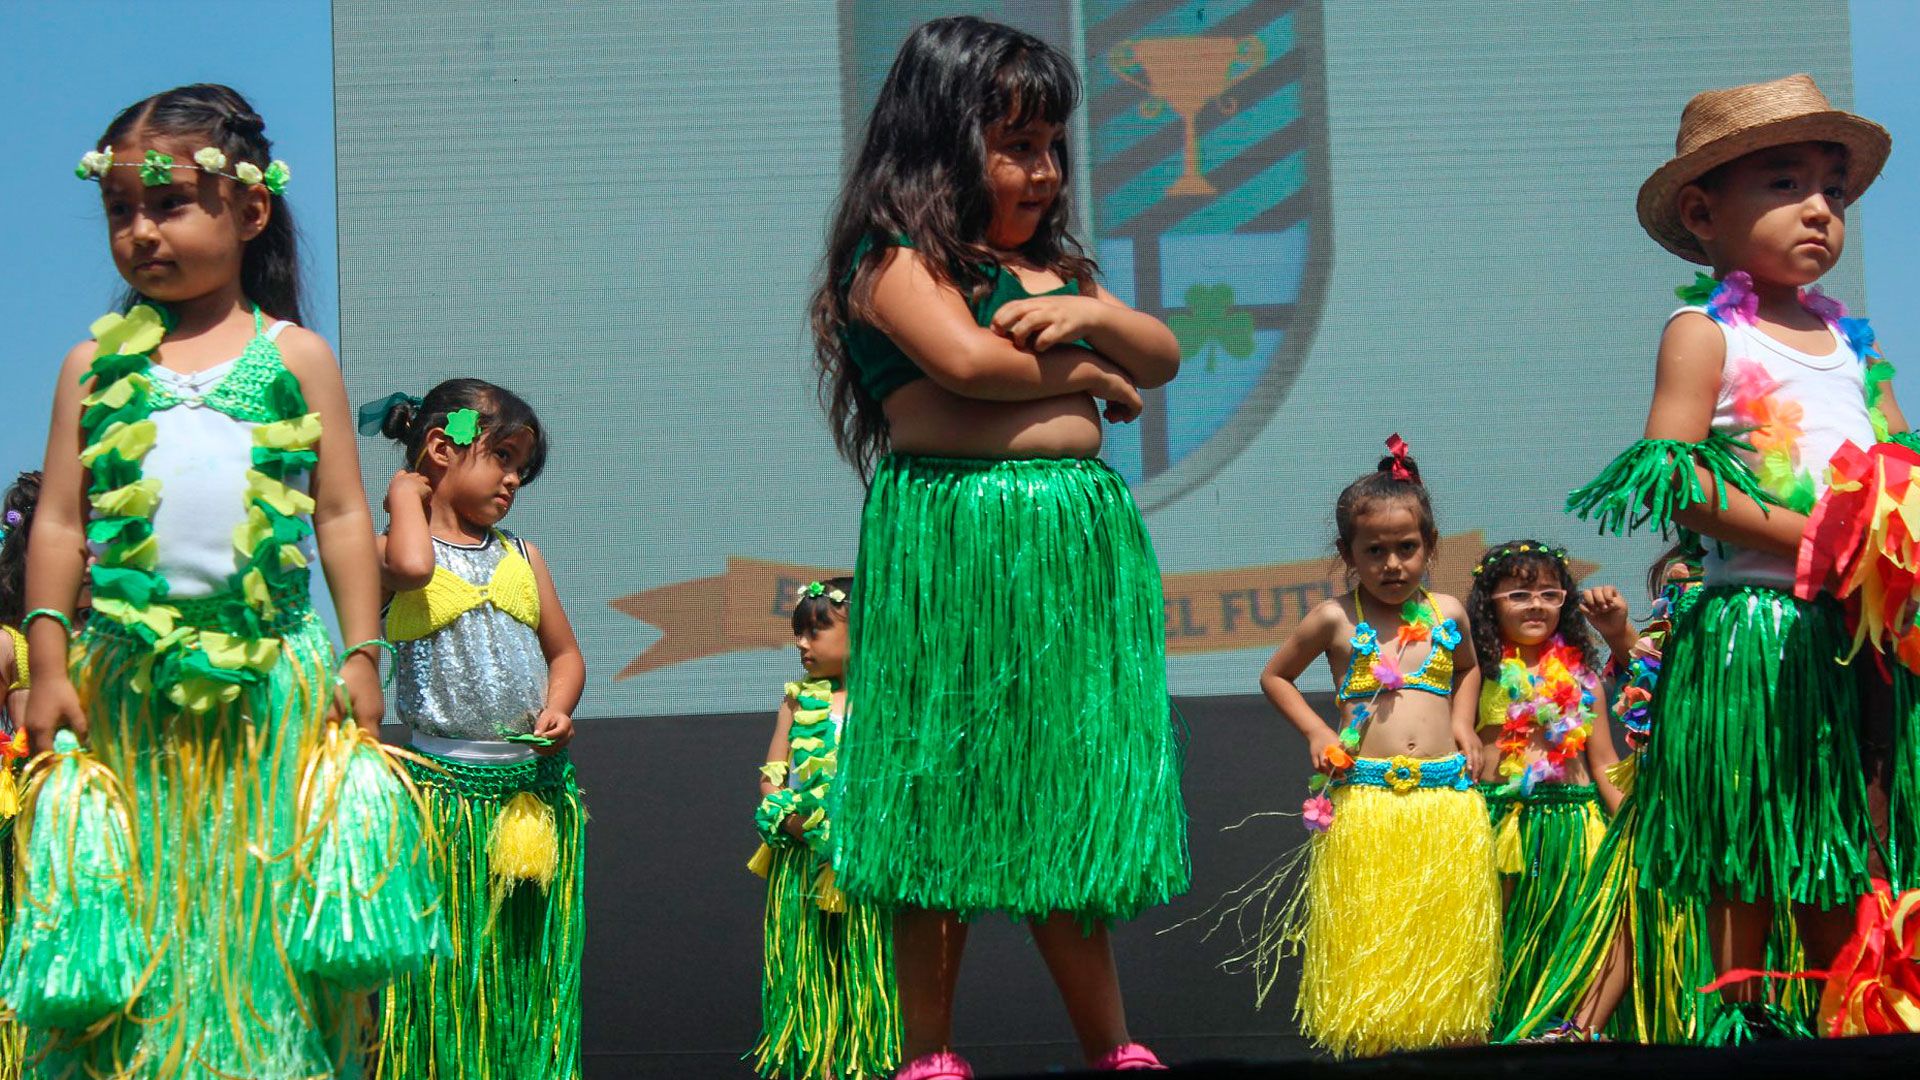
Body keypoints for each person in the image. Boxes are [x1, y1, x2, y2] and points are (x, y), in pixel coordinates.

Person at [8, 83, 440, 1077]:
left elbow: (341, 514)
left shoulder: (296, 356)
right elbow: (62, 522)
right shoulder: (91, 366)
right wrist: (49, 660)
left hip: (271, 689)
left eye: (168, 204)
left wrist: (363, 652)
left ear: (249, 211)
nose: (140, 231)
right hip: (127, 688)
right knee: (141, 912)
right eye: (120, 209)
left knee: (261, 920)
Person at [811, 16, 1187, 1076]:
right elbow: (969, 365)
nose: (1044, 170)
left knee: (1056, 789)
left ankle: (1111, 1044)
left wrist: (1092, 323)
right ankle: (929, 1051)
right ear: (939, 143)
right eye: (1016, 146)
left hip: (1068, 551)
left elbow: (1160, 354)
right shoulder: (889, 260)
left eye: (1052, 146)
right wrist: (1088, 371)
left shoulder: (1053, 269)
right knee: (941, 790)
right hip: (956, 543)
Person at [1566, 73, 1912, 1039]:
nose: (1820, 209)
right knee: (1752, 847)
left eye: (1833, 190)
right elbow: (1679, 479)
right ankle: (1743, 1025)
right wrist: (1823, 538)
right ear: (1702, 212)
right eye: (1786, 184)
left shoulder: (1855, 343)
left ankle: (1851, 1018)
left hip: (1854, 636)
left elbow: (1900, 467)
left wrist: (1895, 537)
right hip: (1756, 634)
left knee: (1847, 852)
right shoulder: (1706, 332)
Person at [368, 381, 587, 1080]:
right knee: (451, 970)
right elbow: (413, 567)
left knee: (522, 969)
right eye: (503, 458)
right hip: (445, 800)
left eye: (522, 467)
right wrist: (405, 497)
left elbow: (566, 656)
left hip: (529, 795)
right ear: (441, 447)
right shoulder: (389, 553)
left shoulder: (523, 555)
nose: (514, 479)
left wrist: (559, 706)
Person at [1253, 442, 1497, 1057]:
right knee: (1375, 937)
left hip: (1445, 801)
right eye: (1374, 551)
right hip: (1368, 801)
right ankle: (1376, 1054)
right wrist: (1318, 731)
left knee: (1444, 935)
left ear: (1430, 546)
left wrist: (1464, 724)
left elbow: (1468, 668)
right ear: (1348, 554)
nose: (1392, 564)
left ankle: (1456, 1050)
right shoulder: (1334, 618)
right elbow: (1276, 676)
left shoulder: (1447, 611)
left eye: (1406, 548)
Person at [1463, 540, 1632, 1039]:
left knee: (1586, 928)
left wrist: (1633, 826)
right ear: (1489, 604)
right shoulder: (1476, 675)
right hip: (1501, 824)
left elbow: (1605, 764)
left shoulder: (1583, 678)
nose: (1535, 605)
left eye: (1549, 594)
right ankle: (1498, 1040)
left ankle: (1574, 1032)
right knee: (1502, 937)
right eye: (1518, 594)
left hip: (1577, 825)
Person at [749, 578, 898, 1079]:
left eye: (815, 631)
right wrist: (797, 823)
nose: (801, 643)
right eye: (798, 632)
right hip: (803, 862)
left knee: (865, 976)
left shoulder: (886, 704)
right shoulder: (795, 703)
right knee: (807, 974)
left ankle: (866, 1066)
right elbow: (771, 780)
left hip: (864, 865)